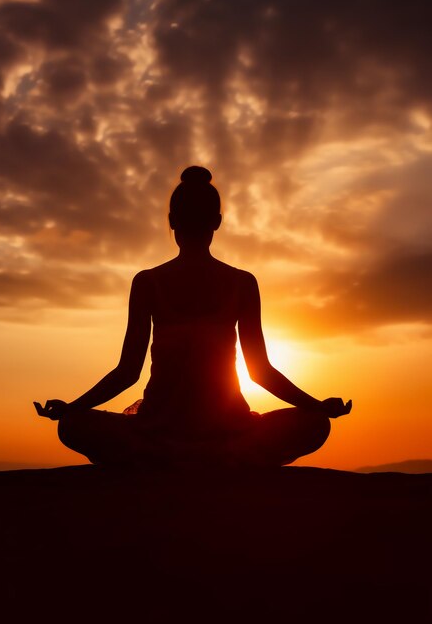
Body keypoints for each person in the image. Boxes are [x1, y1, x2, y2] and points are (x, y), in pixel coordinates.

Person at [34, 166, 351, 467]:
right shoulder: (237, 282)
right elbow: (261, 372)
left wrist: (72, 409)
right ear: (217, 221)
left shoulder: (152, 282)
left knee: (73, 425)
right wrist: (317, 407)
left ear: (172, 221)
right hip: (218, 435)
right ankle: (219, 459)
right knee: (314, 423)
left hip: (170, 435)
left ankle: (175, 459)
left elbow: (127, 372)